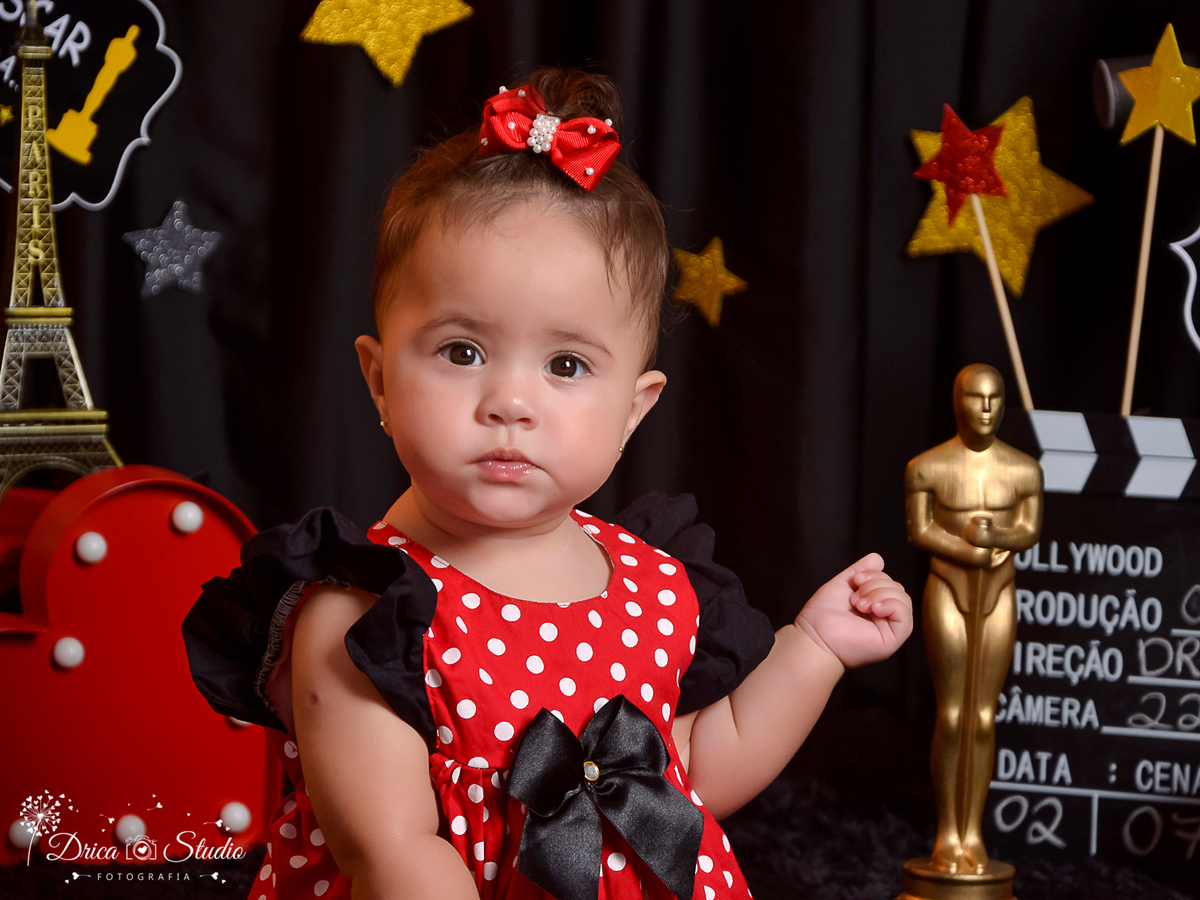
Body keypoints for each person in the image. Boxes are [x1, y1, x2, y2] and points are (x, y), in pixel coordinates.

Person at [184, 69, 912, 900]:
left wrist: (813, 650)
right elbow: (390, 851)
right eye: (462, 351)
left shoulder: (653, 582)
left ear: (634, 410)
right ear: (380, 380)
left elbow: (696, 767)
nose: (511, 404)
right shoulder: (364, 619)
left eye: (566, 365)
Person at [904, 364, 1041, 876]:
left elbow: (1029, 527)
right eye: (975, 398)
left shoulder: (1023, 469)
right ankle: (947, 833)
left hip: (999, 593)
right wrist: (966, 546)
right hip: (949, 589)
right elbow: (920, 530)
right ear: (957, 401)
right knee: (954, 714)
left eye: (995, 398)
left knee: (984, 716)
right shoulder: (928, 466)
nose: (986, 409)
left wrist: (997, 541)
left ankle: (974, 832)